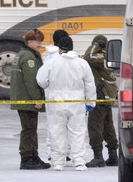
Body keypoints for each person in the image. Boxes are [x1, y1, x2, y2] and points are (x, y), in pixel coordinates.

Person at [36, 36, 96, 171]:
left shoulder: (52, 62)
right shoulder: (82, 63)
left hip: (56, 102)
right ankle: (79, 161)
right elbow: (90, 84)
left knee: (57, 132)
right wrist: (91, 102)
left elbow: (41, 81)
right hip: (77, 102)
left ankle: (58, 162)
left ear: (59, 48)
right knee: (78, 132)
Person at [10, 28, 51, 170]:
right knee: (28, 129)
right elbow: (31, 80)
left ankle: (34, 156)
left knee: (31, 128)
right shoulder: (28, 57)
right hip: (27, 99)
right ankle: (26, 158)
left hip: (22, 98)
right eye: (38, 41)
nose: (40, 44)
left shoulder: (22, 54)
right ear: (30, 41)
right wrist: (37, 99)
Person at [83, 34, 118, 167]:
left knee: (94, 125)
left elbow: (87, 57)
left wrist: (95, 45)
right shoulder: (108, 57)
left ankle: (98, 156)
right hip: (107, 96)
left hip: (101, 95)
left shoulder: (100, 58)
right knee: (108, 126)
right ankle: (113, 154)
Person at [43, 29, 72, 165]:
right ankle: (64, 153)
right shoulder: (68, 58)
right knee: (69, 126)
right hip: (70, 96)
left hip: (52, 96)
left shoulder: (49, 57)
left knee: (53, 126)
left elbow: (42, 79)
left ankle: (52, 153)